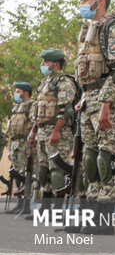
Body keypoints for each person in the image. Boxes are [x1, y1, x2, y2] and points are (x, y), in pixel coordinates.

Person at [75, 0, 115, 235]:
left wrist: (106, 105)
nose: (82, 4)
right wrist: (83, 99)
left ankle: (105, 221)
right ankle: (90, 217)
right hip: (89, 99)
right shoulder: (88, 30)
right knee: (89, 160)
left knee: (105, 157)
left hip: (108, 99)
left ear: (101, 1)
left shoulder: (114, 27)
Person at [26, 49, 77, 219]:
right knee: (43, 170)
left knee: (57, 171)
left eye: (45, 62)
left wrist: (56, 131)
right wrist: (33, 130)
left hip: (58, 132)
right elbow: (39, 110)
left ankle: (57, 209)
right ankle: (45, 208)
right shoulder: (44, 83)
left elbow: (66, 109)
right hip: (42, 131)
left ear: (55, 64)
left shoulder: (64, 82)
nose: (42, 65)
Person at [6, 82, 35, 215]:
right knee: (17, 174)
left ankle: (26, 205)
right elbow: (11, 129)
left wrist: (30, 146)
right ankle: (19, 204)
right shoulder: (16, 107)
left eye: (18, 91)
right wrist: (10, 148)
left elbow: (34, 126)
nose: (16, 94)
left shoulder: (31, 105)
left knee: (25, 175)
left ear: (26, 93)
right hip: (16, 144)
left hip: (25, 143)